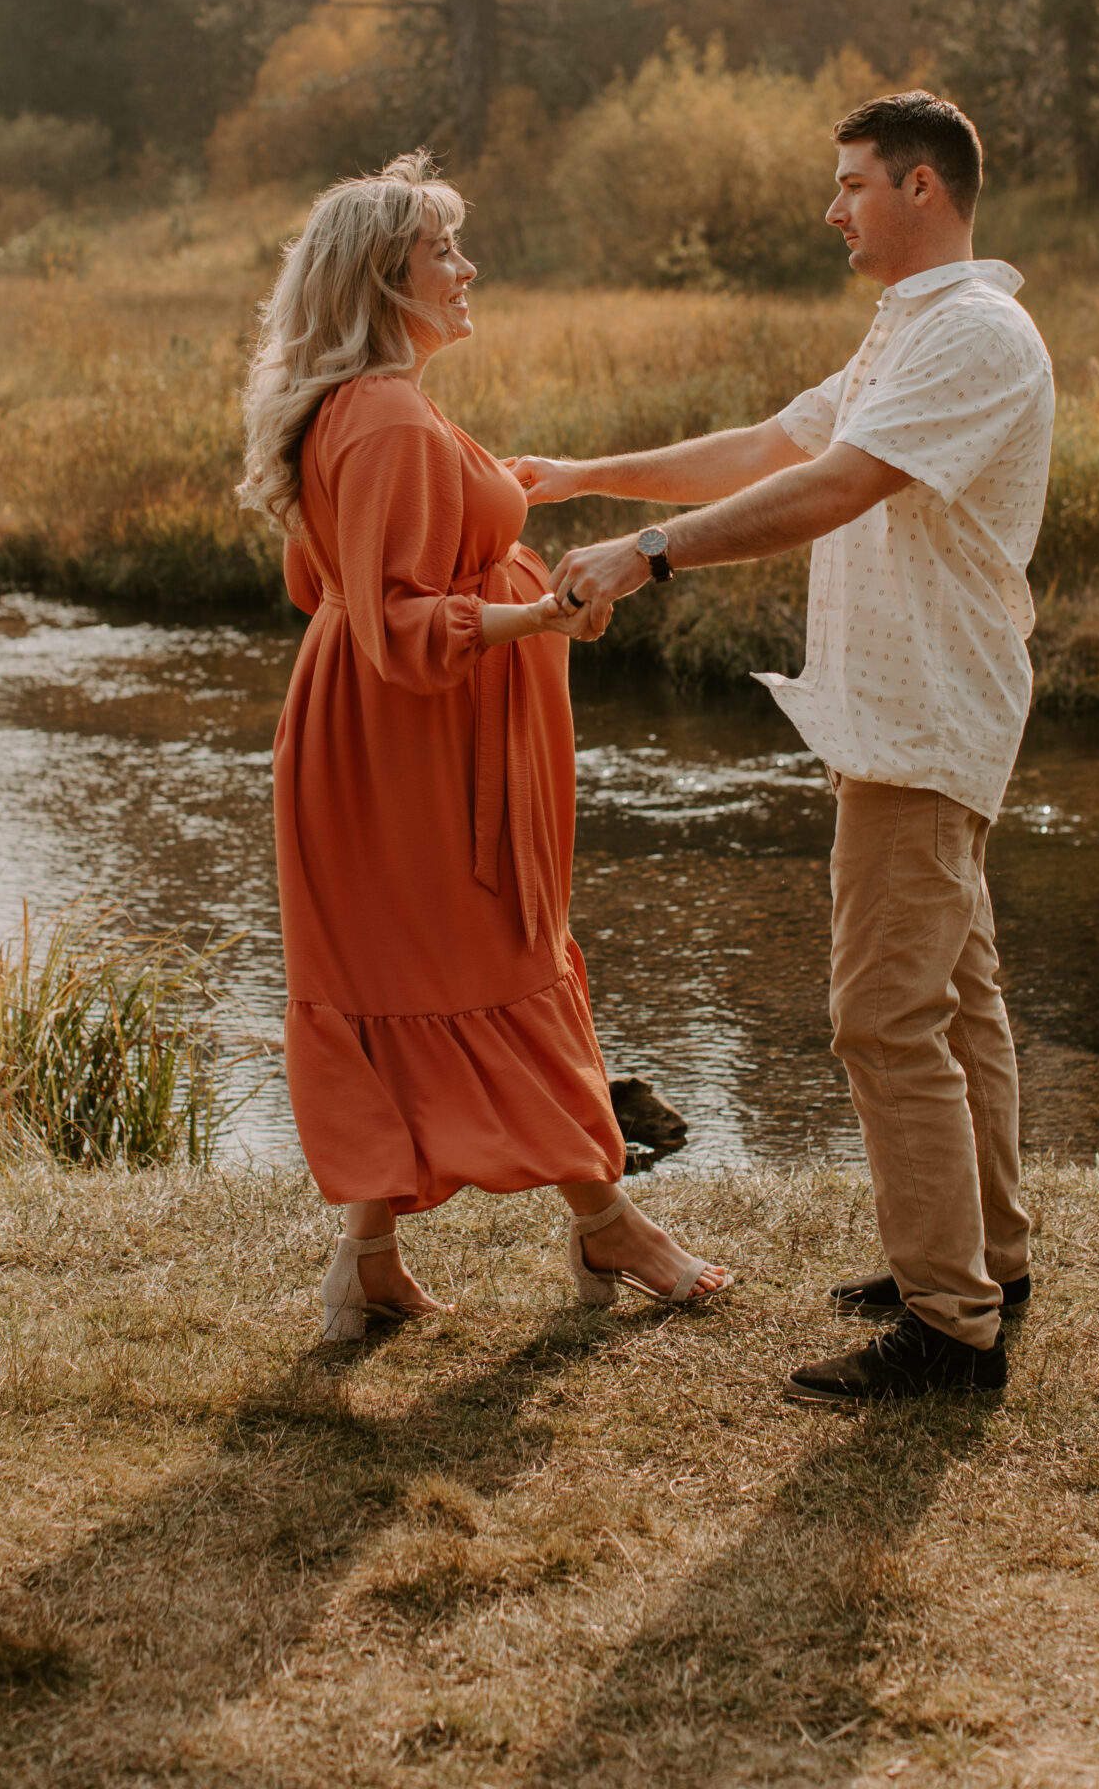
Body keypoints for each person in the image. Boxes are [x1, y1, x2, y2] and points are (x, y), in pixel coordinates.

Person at [510, 91, 1054, 1405]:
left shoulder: (973, 335)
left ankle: (948, 1328)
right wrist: (577, 472)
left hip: (926, 718)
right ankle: (982, 1260)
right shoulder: (907, 330)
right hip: (899, 716)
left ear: (922, 189)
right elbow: (771, 447)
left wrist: (645, 556)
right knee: (956, 1002)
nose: (832, 210)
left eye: (853, 184)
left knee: (880, 1020)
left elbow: (836, 486)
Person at [239, 151, 729, 1341]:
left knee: (392, 981)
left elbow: (348, 578)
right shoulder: (392, 418)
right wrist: (541, 612)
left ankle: (366, 1259)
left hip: (369, 745)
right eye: (442, 253)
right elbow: (404, 622)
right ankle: (609, 1218)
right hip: (414, 754)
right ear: (383, 279)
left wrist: (502, 489)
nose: (467, 269)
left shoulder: (363, 406)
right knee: (496, 964)